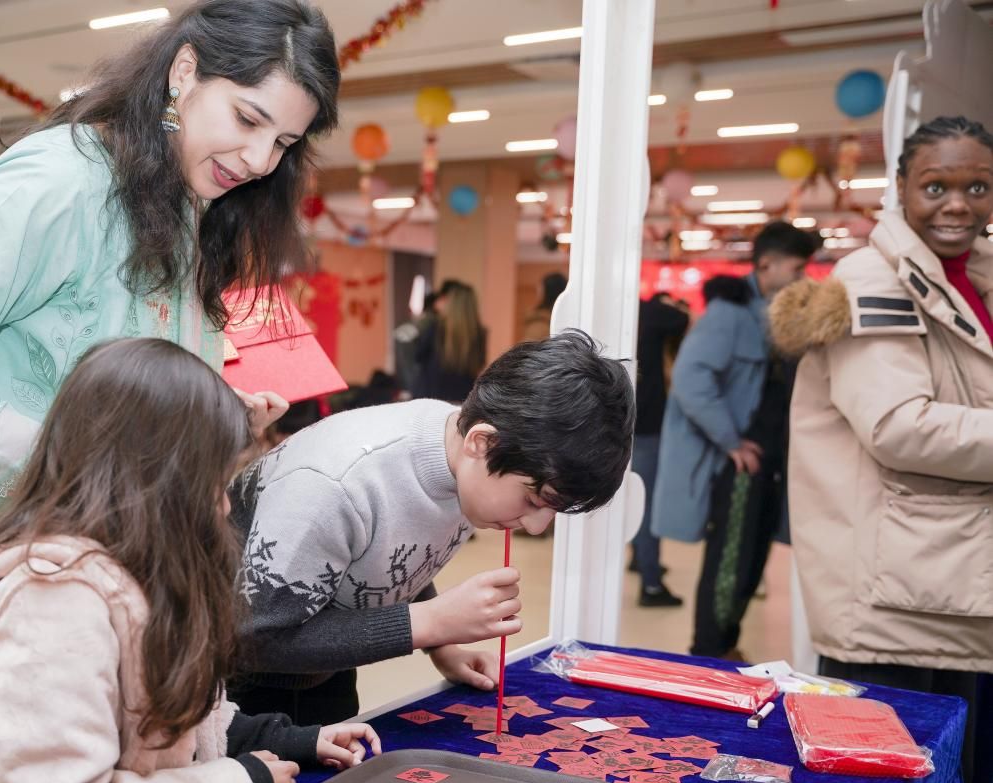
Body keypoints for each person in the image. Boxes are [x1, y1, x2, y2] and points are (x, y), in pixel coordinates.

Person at [0, 2, 340, 783]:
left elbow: (127, 402)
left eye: (283, 142)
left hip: (109, 590)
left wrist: (214, 423)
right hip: (12, 589)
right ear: (184, 73)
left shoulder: (188, 209)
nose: (257, 159)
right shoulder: (60, 183)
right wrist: (68, 464)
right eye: (247, 119)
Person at [0, 338, 379, 783]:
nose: (221, 508)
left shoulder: (126, 578)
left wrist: (294, 740)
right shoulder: (57, 604)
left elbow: (177, 726)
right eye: (214, 484)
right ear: (157, 480)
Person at [228, 330, 635, 724]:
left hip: (322, 668)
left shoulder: (459, 450)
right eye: (532, 500)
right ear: (483, 443)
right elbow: (254, 639)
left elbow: (394, 548)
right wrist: (431, 622)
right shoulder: (334, 485)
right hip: (234, 689)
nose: (534, 524)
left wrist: (442, 645)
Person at [769, 115, 993, 783]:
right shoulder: (875, 278)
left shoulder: (971, 276)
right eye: (936, 186)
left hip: (946, 577)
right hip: (896, 590)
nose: (957, 205)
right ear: (900, 187)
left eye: (977, 187)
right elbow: (899, 425)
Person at [650, 221, 817, 660]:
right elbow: (690, 379)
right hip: (740, 468)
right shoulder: (729, 313)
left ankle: (725, 646)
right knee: (731, 561)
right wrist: (731, 442)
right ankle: (709, 652)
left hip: (771, 463)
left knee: (752, 559)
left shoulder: (776, 315)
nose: (802, 278)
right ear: (767, 264)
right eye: (797, 269)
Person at [630, 292, 690, 607]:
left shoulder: (606, 311)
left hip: (614, 421)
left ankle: (640, 560)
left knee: (627, 499)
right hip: (648, 423)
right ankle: (651, 582)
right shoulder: (652, 313)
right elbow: (682, 318)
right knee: (646, 502)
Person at [414, 280, 487, 403]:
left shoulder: (435, 329)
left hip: (431, 400)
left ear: (453, 304)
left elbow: (418, 356)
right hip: (463, 400)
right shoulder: (479, 333)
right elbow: (479, 365)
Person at [521, 272, 568, 342]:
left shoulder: (539, 322)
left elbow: (528, 346)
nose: (538, 291)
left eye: (540, 288)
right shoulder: (567, 320)